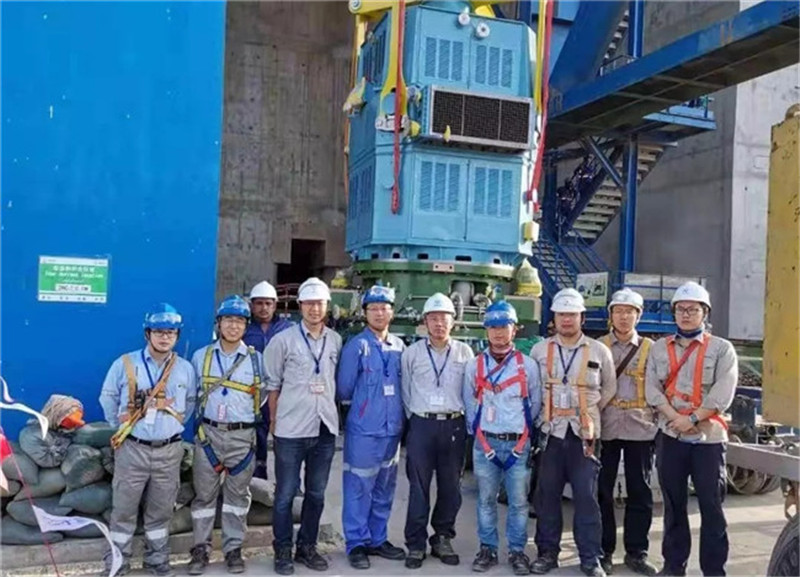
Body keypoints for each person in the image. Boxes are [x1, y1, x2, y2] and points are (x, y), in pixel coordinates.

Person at [645, 282, 737, 577]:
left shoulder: (721, 349)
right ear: (673, 313)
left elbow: (723, 392)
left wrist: (694, 418)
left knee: (712, 507)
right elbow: (651, 388)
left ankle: (714, 571)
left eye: (693, 309)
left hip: (708, 440)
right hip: (671, 435)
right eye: (681, 309)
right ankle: (674, 567)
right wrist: (675, 418)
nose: (686, 314)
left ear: (704, 313)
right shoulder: (659, 348)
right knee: (673, 505)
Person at [99, 304, 196, 577]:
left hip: (169, 450)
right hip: (133, 449)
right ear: (147, 333)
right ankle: (117, 562)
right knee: (123, 510)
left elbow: (189, 403)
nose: (165, 337)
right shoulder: (125, 364)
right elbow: (107, 397)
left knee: (161, 511)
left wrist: (171, 427)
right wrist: (121, 427)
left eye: (171, 332)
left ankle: (157, 560)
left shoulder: (185, 369)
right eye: (159, 331)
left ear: (177, 336)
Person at [529, 288, 617, 577]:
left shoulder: (599, 351)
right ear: (554, 317)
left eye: (572, 314)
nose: (567, 319)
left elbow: (609, 388)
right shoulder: (540, 350)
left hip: (585, 436)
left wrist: (588, 412)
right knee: (547, 496)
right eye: (561, 314)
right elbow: (533, 389)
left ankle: (590, 558)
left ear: (582, 317)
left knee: (587, 498)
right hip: (551, 433)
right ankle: (547, 553)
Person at [264, 277, 342, 575]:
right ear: (300, 306)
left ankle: (307, 547)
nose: (314, 309)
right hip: (291, 429)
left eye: (319, 303)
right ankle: (282, 549)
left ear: (327, 306)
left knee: (317, 494)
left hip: (324, 428)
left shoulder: (335, 340)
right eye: (309, 303)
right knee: (285, 494)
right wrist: (274, 423)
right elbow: (272, 386)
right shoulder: (283, 341)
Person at [463, 301, 542, 575]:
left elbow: (535, 402)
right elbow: (470, 403)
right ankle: (488, 549)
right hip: (486, 443)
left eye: (504, 326)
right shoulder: (474, 366)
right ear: (486, 330)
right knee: (486, 499)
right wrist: (481, 434)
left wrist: (521, 433)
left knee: (519, 502)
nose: (498, 333)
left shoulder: (528, 366)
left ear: (514, 329)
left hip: (518, 444)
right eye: (493, 327)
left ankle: (517, 551)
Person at [188, 295, 264, 575]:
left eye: (240, 321)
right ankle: (200, 549)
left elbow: (263, 395)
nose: (234, 326)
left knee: (237, 498)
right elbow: (191, 395)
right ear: (218, 323)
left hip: (242, 438)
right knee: (203, 497)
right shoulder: (201, 357)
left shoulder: (256, 360)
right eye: (228, 320)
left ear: (246, 325)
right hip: (208, 435)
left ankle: (233, 549)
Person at [401, 293, 474, 569]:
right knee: (418, 487)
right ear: (425, 322)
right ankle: (416, 543)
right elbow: (406, 392)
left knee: (450, 486)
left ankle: (442, 537)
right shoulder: (412, 354)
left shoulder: (465, 353)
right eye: (433, 318)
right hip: (422, 424)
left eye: (444, 318)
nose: (439, 323)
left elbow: (470, 392)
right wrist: (417, 418)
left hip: (454, 424)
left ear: (453, 322)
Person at [337, 285, 407, 569]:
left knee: (384, 487)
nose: (379, 313)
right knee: (358, 486)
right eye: (373, 308)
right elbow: (344, 388)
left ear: (392, 312)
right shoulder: (357, 346)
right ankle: (356, 542)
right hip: (364, 430)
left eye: (384, 308)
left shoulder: (400, 347)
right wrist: (365, 410)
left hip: (392, 430)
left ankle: (377, 539)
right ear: (365, 313)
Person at [597, 288, 658, 576]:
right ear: (611, 315)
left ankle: (636, 552)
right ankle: (604, 550)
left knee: (640, 491)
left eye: (629, 312)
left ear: (638, 315)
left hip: (640, 427)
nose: (623, 317)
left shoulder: (651, 349)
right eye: (618, 311)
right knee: (602, 490)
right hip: (606, 426)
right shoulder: (597, 347)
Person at [243, 280, 294, 480]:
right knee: (258, 436)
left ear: (275, 305)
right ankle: (259, 477)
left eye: (268, 303)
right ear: (251, 305)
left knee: (287, 438)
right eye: (259, 303)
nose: (263, 308)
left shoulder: (287, 329)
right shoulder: (244, 330)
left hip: (284, 392)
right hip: (253, 393)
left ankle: (290, 481)